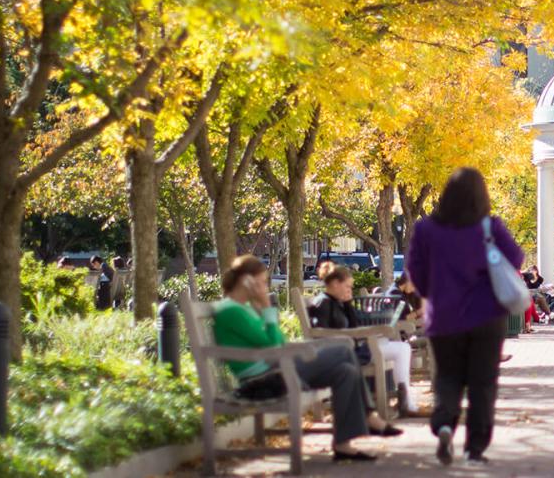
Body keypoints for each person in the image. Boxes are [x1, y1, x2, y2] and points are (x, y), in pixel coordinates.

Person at [212, 255, 400, 462]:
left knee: (346, 371)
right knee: (343, 349)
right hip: (263, 380)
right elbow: (274, 346)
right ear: (247, 281)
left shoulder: (244, 309)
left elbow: (278, 343)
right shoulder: (231, 311)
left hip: (276, 368)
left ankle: (343, 445)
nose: (265, 287)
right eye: (263, 282)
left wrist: (263, 312)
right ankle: (368, 415)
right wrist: (266, 309)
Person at [406, 167, 524, 466]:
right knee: (483, 383)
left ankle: (444, 423)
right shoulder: (489, 227)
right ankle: (475, 449)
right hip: (486, 317)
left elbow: (416, 272)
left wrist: (435, 292)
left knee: (447, 376)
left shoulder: (425, 230)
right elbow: (515, 258)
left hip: (443, 318)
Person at [307, 264, 425, 416]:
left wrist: (348, 304)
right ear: (335, 284)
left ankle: (405, 401)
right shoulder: (323, 303)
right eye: (348, 286)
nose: (350, 291)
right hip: (345, 352)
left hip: (356, 346)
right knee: (400, 348)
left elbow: (355, 323)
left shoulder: (338, 303)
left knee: (402, 348)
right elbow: (320, 334)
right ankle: (404, 403)